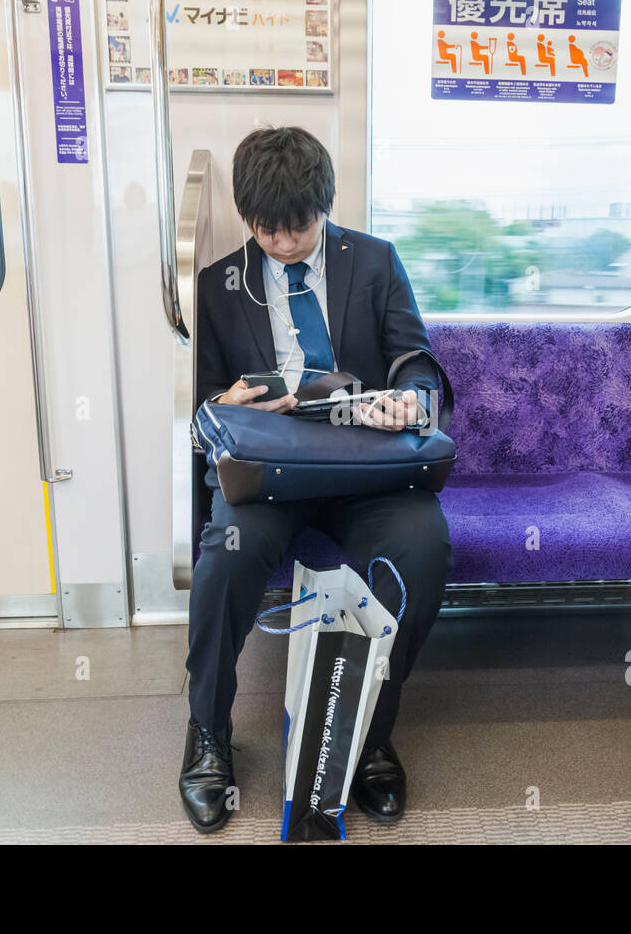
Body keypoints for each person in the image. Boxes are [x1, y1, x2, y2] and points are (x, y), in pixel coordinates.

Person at [179, 125, 453, 834]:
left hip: (366, 470)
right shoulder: (218, 285)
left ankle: (370, 730)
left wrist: (411, 401)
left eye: (297, 227)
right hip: (269, 472)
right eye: (266, 230)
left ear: (323, 205)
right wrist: (225, 402)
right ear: (247, 218)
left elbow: (414, 358)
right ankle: (208, 729)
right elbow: (203, 403)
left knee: (421, 550)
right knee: (226, 557)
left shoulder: (375, 262)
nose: (283, 243)